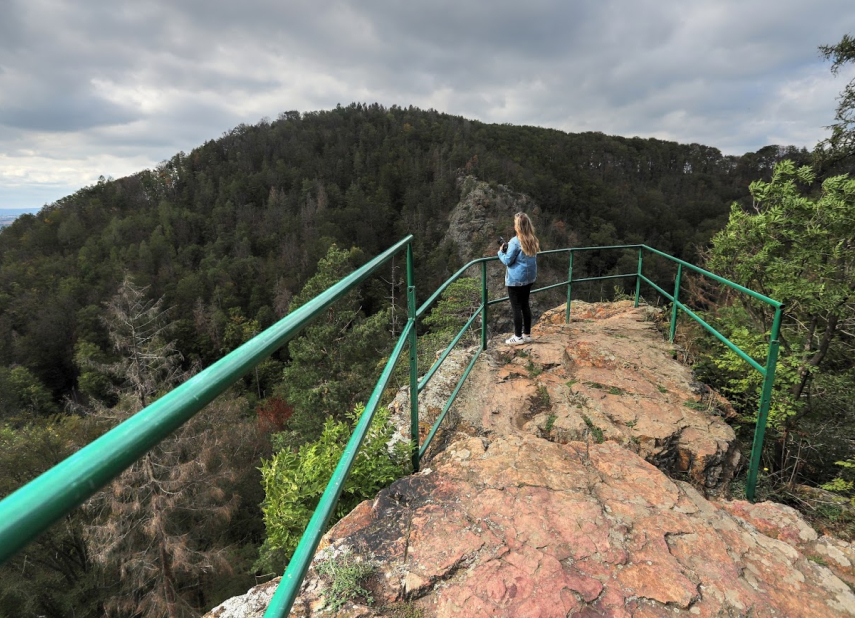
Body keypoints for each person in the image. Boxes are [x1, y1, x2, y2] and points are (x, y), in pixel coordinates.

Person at [497, 212, 540, 345]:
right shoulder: (532, 239)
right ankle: (526, 334)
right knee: (525, 305)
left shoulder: (515, 242)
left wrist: (500, 252)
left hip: (516, 280)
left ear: (518, 227)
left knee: (516, 307)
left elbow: (508, 261)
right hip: (529, 278)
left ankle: (517, 337)